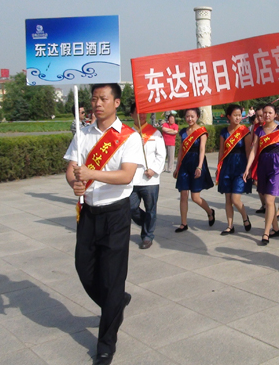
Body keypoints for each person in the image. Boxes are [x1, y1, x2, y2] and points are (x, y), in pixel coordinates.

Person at [64, 83, 144, 365]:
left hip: (116, 215)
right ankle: (116, 303)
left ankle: (105, 344)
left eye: (104, 98)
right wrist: (75, 181)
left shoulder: (129, 137)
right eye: (94, 98)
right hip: (88, 213)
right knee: (83, 269)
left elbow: (126, 176)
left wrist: (90, 173)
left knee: (112, 278)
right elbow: (71, 168)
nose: (98, 103)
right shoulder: (83, 134)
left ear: (116, 102)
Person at [244, 104, 279, 245]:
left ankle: (266, 233)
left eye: (270, 113)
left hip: (277, 166)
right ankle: (276, 228)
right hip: (263, 165)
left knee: (269, 201)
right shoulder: (259, 130)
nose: (267, 115)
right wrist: (248, 168)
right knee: (269, 201)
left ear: (275, 115)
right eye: (264, 113)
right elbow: (254, 150)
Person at [129, 103, 166, 250]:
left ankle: (147, 236)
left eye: (143, 112)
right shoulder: (127, 133)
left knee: (151, 208)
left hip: (150, 179)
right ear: (132, 115)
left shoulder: (154, 133)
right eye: (138, 113)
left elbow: (161, 154)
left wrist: (154, 169)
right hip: (132, 179)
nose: (141, 115)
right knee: (130, 208)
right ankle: (148, 222)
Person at [173, 108, 215, 232]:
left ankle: (210, 211)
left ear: (197, 116)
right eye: (187, 116)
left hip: (197, 163)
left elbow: (202, 149)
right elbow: (180, 150)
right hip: (185, 164)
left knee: (195, 197)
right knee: (183, 194)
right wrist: (177, 167)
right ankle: (183, 223)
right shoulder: (183, 132)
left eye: (192, 116)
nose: (190, 119)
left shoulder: (201, 131)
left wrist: (200, 166)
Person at [216, 104, 252, 235]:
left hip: (240, 166)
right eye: (235, 115)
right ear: (229, 116)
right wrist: (218, 167)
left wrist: (249, 168)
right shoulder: (224, 132)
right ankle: (230, 226)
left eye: (240, 115)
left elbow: (248, 151)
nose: (238, 118)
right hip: (227, 166)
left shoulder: (245, 131)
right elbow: (221, 151)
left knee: (235, 199)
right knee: (227, 198)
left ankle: (244, 217)